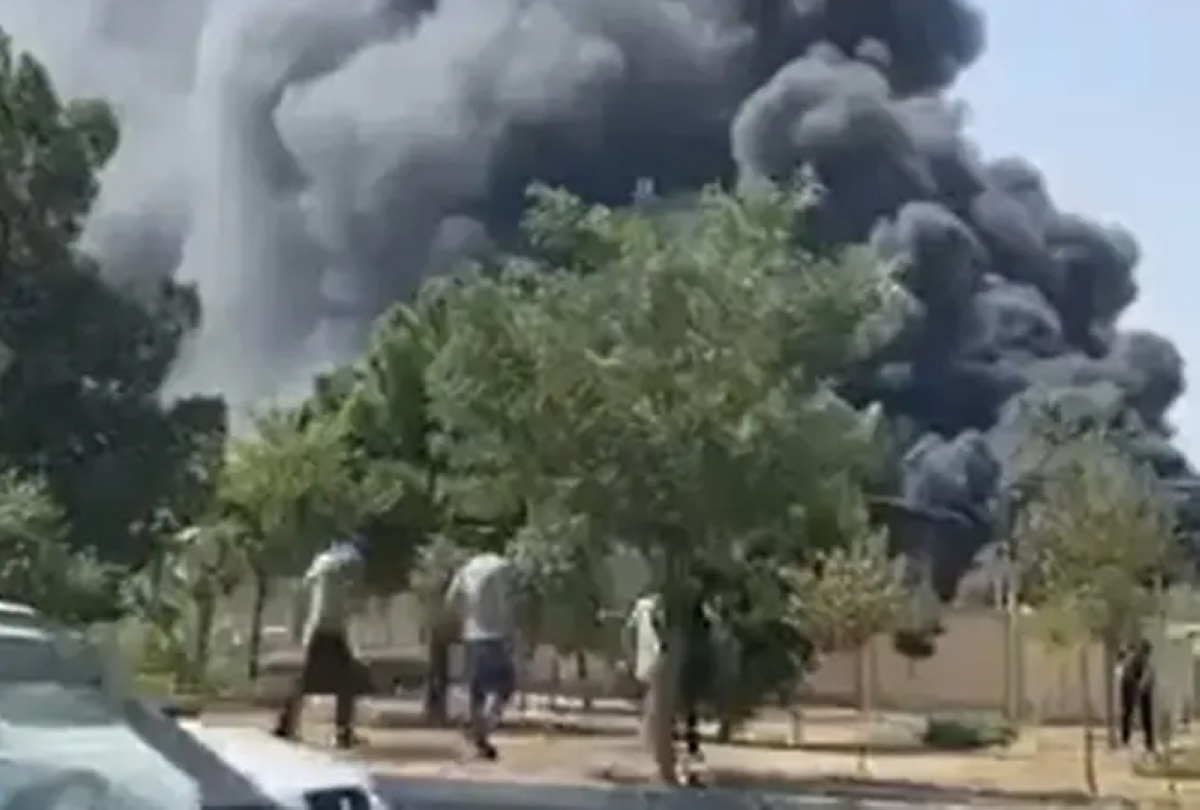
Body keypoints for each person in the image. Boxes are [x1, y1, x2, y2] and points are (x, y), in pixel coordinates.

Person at [273, 538, 366, 749]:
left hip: (319, 628)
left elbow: (308, 586)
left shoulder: (323, 565)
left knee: (309, 680)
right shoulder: (346, 567)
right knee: (346, 682)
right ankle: (342, 733)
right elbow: (353, 600)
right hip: (330, 629)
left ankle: (286, 724)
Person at [445, 549, 516, 761]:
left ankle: (479, 737)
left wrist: (465, 619)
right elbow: (510, 601)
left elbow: (451, 600)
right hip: (497, 635)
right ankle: (485, 726)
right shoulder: (502, 566)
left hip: (472, 636)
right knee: (502, 686)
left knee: (477, 691)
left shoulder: (466, 570)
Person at [1117, 638, 1156, 753]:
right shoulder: (1132, 661)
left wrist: (1142, 687)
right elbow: (1128, 675)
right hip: (1130, 684)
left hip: (1137, 685)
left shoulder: (1144, 662)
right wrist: (1137, 687)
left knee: (1143, 714)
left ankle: (1148, 742)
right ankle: (1126, 739)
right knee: (1128, 712)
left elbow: (1147, 678)